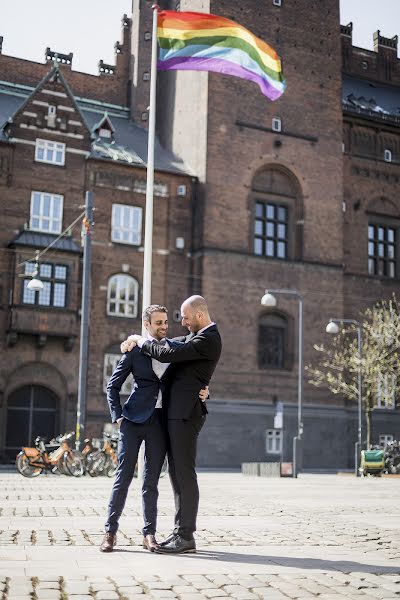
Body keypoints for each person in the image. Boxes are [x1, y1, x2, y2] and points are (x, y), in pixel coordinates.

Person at [101, 304, 208, 553]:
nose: (163, 327)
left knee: (151, 482)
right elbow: (112, 386)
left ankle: (149, 534)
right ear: (146, 325)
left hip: (160, 423)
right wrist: (118, 417)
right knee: (123, 477)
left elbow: (192, 375)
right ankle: (110, 532)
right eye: (158, 323)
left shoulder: (173, 349)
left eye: (165, 322)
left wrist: (205, 389)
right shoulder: (134, 352)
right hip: (133, 421)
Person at [121, 295, 222, 554]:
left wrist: (141, 340)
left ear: (199, 315)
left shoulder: (207, 338)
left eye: (186, 318)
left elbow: (166, 353)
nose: (183, 323)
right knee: (177, 474)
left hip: (185, 415)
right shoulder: (195, 338)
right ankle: (181, 532)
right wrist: (136, 338)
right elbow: (171, 346)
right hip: (178, 412)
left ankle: (185, 535)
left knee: (183, 474)